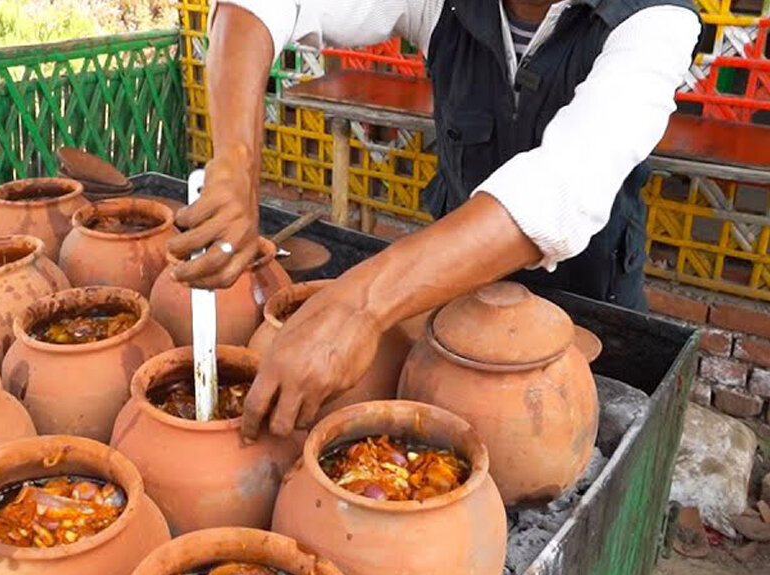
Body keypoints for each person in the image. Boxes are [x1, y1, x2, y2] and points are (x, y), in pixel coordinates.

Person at [171, 0, 699, 439]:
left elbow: (562, 188)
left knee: (571, 448)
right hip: (446, 306)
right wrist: (236, 162)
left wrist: (360, 305)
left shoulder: (654, 20)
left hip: (588, 322)